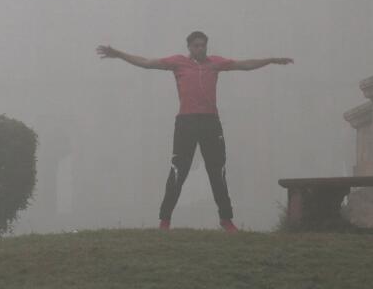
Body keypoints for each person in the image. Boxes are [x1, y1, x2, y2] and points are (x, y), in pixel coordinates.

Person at [96, 31, 292, 232]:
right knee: (177, 170)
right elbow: (146, 62)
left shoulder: (215, 63)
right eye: (196, 45)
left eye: (203, 45)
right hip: (186, 122)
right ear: (189, 47)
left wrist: (271, 60)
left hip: (210, 122)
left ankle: (226, 220)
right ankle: (165, 220)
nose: (200, 49)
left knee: (217, 171)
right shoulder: (178, 63)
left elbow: (244, 65)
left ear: (207, 46)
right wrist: (118, 54)